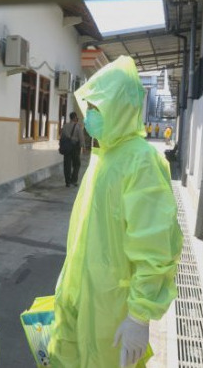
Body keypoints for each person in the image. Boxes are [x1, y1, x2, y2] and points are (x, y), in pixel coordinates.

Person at [48, 56, 183, 367]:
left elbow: (155, 246)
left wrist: (139, 315)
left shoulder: (141, 161)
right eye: (90, 108)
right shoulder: (103, 156)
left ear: (119, 108)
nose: (90, 116)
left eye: (97, 108)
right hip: (78, 298)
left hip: (111, 311)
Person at [61, 111, 86, 187]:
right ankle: (74, 180)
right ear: (75, 118)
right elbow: (81, 137)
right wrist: (83, 146)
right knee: (77, 164)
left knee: (67, 165)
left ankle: (67, 182)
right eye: (76, 117)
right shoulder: (78, 126)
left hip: (67, 147)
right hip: (75, 147)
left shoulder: (65, 126)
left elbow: (62, 136)